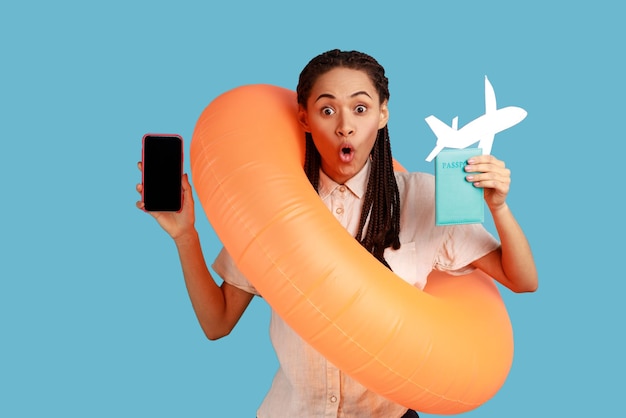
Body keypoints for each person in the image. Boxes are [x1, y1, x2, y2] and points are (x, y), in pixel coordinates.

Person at [136, 49, 538, 418]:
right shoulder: (274, 209)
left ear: (382, 115)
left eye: (360, 109)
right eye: (327, 111)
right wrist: (184, 235)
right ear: (304, 119)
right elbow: (217, 323)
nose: (345, 127)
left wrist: (498, 207)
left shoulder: (420, 198)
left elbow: (522, 280)